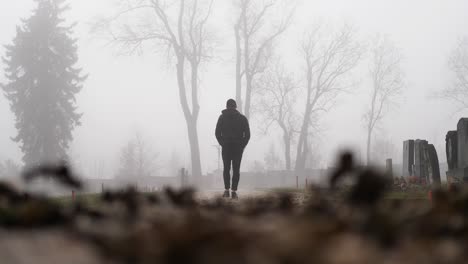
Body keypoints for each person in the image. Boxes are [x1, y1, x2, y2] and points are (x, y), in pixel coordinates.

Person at [215, 99, 250, 199]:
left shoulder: (222, 118)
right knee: (236, 169)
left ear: (226, 106)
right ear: (235, 106)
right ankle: (234, 191)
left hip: (226, 147)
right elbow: (247, 135)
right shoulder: (243, 119)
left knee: (226, 169)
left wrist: (222, 143)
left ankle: (226, 191)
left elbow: (217, 133)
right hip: (238, 148)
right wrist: (242, 145)